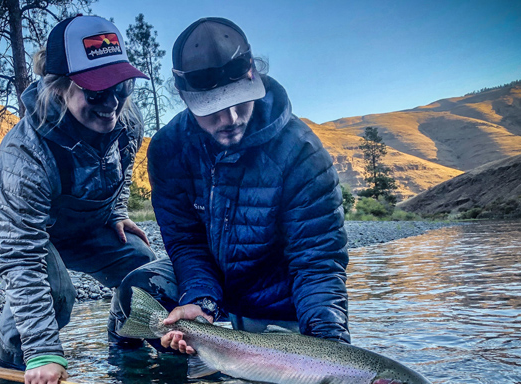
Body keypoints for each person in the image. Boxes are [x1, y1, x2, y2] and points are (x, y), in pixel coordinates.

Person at [109, 17, 349, 354]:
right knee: (137, 295)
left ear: (254, 76)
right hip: (209, 283)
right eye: (214, 109)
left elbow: (317, 262)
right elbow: (187, 243)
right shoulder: (168, 150)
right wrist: (200, 303)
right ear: (184, 95)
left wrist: (330, 347)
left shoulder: (302, 152)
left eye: (240, 101)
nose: (231, 119)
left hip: (278, 298)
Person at [0, 15, 156, 384]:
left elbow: (124, 169)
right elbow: (22, 255)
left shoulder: (127, 120)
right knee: (54, 289)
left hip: (79, 223)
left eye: (122, 86)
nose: (112, 104)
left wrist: (117, 211)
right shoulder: (25, 151)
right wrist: (44, 352)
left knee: (143, 267)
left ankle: (125, 346)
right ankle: (16, 373)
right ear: (60, 87)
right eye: (96, 92)